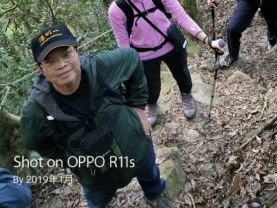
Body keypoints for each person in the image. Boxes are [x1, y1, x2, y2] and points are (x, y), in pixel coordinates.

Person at [20, 23, 174, 208]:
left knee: (150, 173)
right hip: (93, 172)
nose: (61, 65)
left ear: (77, 51)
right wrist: (69, 158)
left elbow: (132, 59)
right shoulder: (36, 110)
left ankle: (155, 193)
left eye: (66, 54)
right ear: (40, 69)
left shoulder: (100, 68)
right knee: (98, 200)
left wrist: (138, 108)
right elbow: (34, 142)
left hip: (135, 144)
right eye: (51, 61)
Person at [109, 0, 224, 127]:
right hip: (144, 55)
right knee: (151, 87)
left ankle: (186, 96)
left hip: (171, 44)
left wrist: (207, 40)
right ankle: (152, 104)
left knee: (183, 75)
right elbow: (123, 45)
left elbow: (181, 16)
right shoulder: (117, 9)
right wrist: (129, 72)